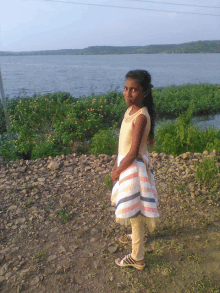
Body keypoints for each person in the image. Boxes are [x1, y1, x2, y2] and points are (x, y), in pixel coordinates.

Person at [111, 69, 159, 270]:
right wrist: (117, 163)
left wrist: (117, 170)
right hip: (127, 165)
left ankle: (137, 257)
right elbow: (124, 145)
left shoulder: (141, 116)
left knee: (136, 212)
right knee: (133, 206)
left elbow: (133, 152)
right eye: (125, 88)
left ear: (144, 92)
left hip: (134, 169)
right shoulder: (130, 111)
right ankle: (134, 236)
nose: (128, 94)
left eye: (133, 90)